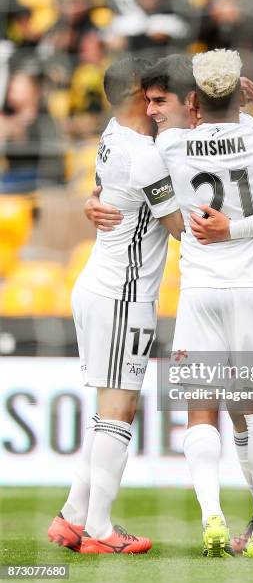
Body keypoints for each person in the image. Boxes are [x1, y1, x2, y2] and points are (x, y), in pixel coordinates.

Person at [87, 52, 253, 556]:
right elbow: (135, 186)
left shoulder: (240, 139)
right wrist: (100, 198)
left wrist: (229, 228)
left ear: (191, 103)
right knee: (243, 407)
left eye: (160, 101)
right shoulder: (171, 148)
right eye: (147, 101)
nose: (152, 110)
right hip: (243, 284)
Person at [48, 56, 183, 554]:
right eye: (151, 88)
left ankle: (72, 516)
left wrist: (93, 197)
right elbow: (182, 229)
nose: (157, 97)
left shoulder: (111, 134)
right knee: (120, 410)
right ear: (137, 93)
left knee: (108, 411)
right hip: (123, 295)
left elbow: (106, 189)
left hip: (97, 285)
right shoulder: (146, 158)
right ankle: (101, 530)